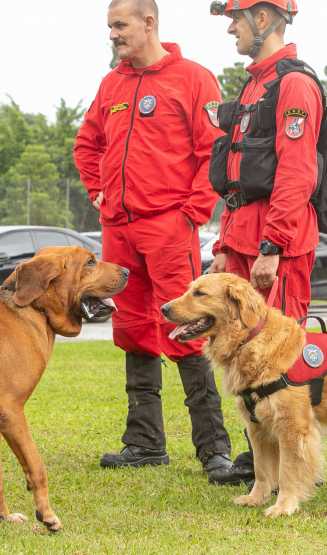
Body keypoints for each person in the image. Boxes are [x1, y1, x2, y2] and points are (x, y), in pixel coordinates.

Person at [74, 0, 232, 475]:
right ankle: (144, 442)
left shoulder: (193, 78)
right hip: (118, 231)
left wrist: (191, 214)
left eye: (120, 26)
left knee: (185, 328)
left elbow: (214, 152)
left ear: (149, 23)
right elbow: (88, 144)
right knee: (132, 329)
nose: (113, 35)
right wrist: (99, 192)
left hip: (168, 228)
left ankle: (214, 450)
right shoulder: (112, 83)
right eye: (110, 27)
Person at [205, 0, 322, 487]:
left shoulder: (294, 84)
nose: (230, 26)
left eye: (236, 17)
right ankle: (260, 464)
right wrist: (222, 244)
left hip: (277, 239)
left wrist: (273, 245)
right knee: (242, 353)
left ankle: (297, 471)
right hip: (241, 233)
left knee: (281, 352)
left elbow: (296, 174)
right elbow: (240, 176)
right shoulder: (255, 83)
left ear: (265, 18)